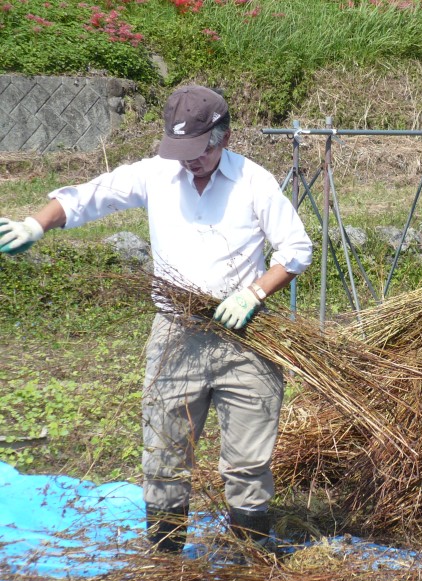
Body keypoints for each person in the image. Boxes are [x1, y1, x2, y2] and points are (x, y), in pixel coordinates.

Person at [0, 85, 312, 554]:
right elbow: (89, 197)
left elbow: (296, 249)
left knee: (247, 461)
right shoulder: (156, 174)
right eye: (180, 151)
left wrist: (254, 292)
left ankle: (250, 561)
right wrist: (35, 224)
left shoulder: (254, 181)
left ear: (222, 137)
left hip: (246, 339)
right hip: (177, 336)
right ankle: (165, 564)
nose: (189, 161)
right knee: (165, 454)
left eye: (198, 150)